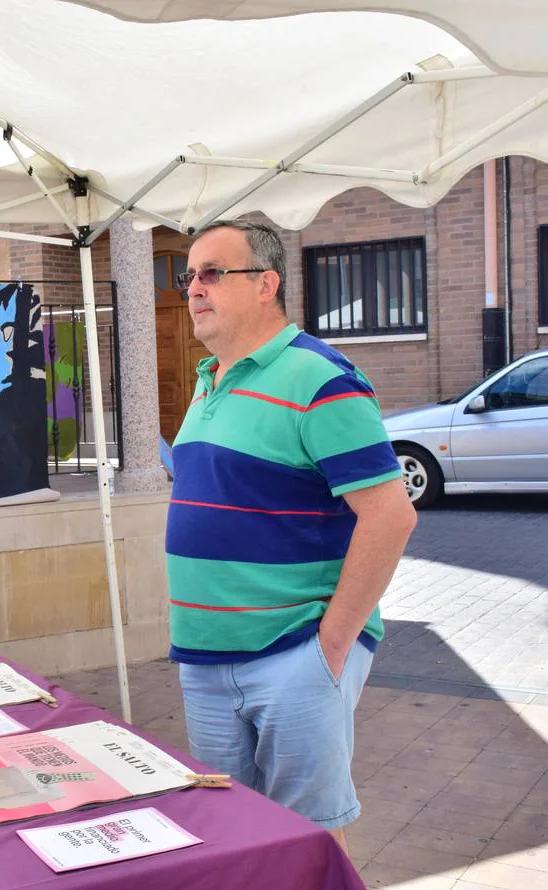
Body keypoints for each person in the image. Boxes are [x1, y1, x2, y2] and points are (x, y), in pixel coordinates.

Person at [166, 219, 416, 852]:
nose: (194, 288)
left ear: (265, 285)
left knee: (304, 845)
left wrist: (332, 646)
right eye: (188, 275)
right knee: (232, 837)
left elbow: (390, 516)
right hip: (205, 658)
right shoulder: (210, 379)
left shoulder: (321, 378)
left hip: (293, 651)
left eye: (213, 273)